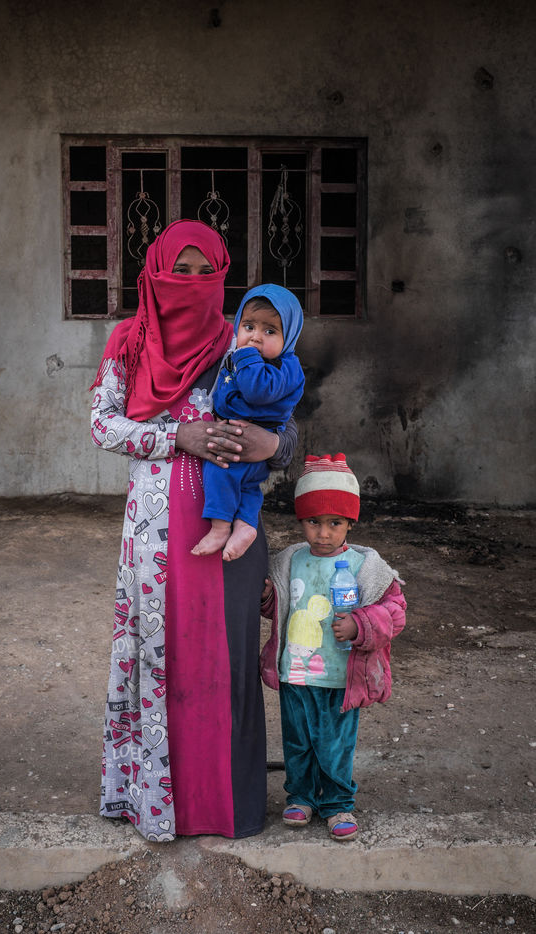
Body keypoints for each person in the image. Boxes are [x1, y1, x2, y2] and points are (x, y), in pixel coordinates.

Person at [90, 219, 298, 842]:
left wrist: (275, 446)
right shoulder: (129, 341)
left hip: (228, 534)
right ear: (155, 271)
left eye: (206, 272)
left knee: (226, 664)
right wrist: (174, 435)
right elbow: (102, 425)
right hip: (154, 536)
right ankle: (159, 802)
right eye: (179, 271)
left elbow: (285, 423)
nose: (192, 282)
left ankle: (226, 808)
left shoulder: (239, 339)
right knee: (162, 657)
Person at [259, 453, 406, 841]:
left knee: (335, 745)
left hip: (340, 678)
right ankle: (301, 797)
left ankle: (338, 803)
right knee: (297, 742)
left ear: (350, 523)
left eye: (334, 523)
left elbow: (395, 613)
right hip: (295, 674)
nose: (323, 533)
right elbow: (281, 607)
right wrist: (266, 597)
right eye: (313, 522)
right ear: (300, 521)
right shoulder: (289, 560)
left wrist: (360, 625)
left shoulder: (366, 567)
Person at [191, 284, 305, 561]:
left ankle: (220, 529)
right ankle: (245, 525)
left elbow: (256, 391)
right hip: (247, 439)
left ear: (289, 336)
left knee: (219, 471)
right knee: (247, 487)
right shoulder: (253, 358)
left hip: (251, 438)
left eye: (270, 331)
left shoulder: (282, 366)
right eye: (249, 326)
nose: (255, 337)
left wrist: (245, 355)